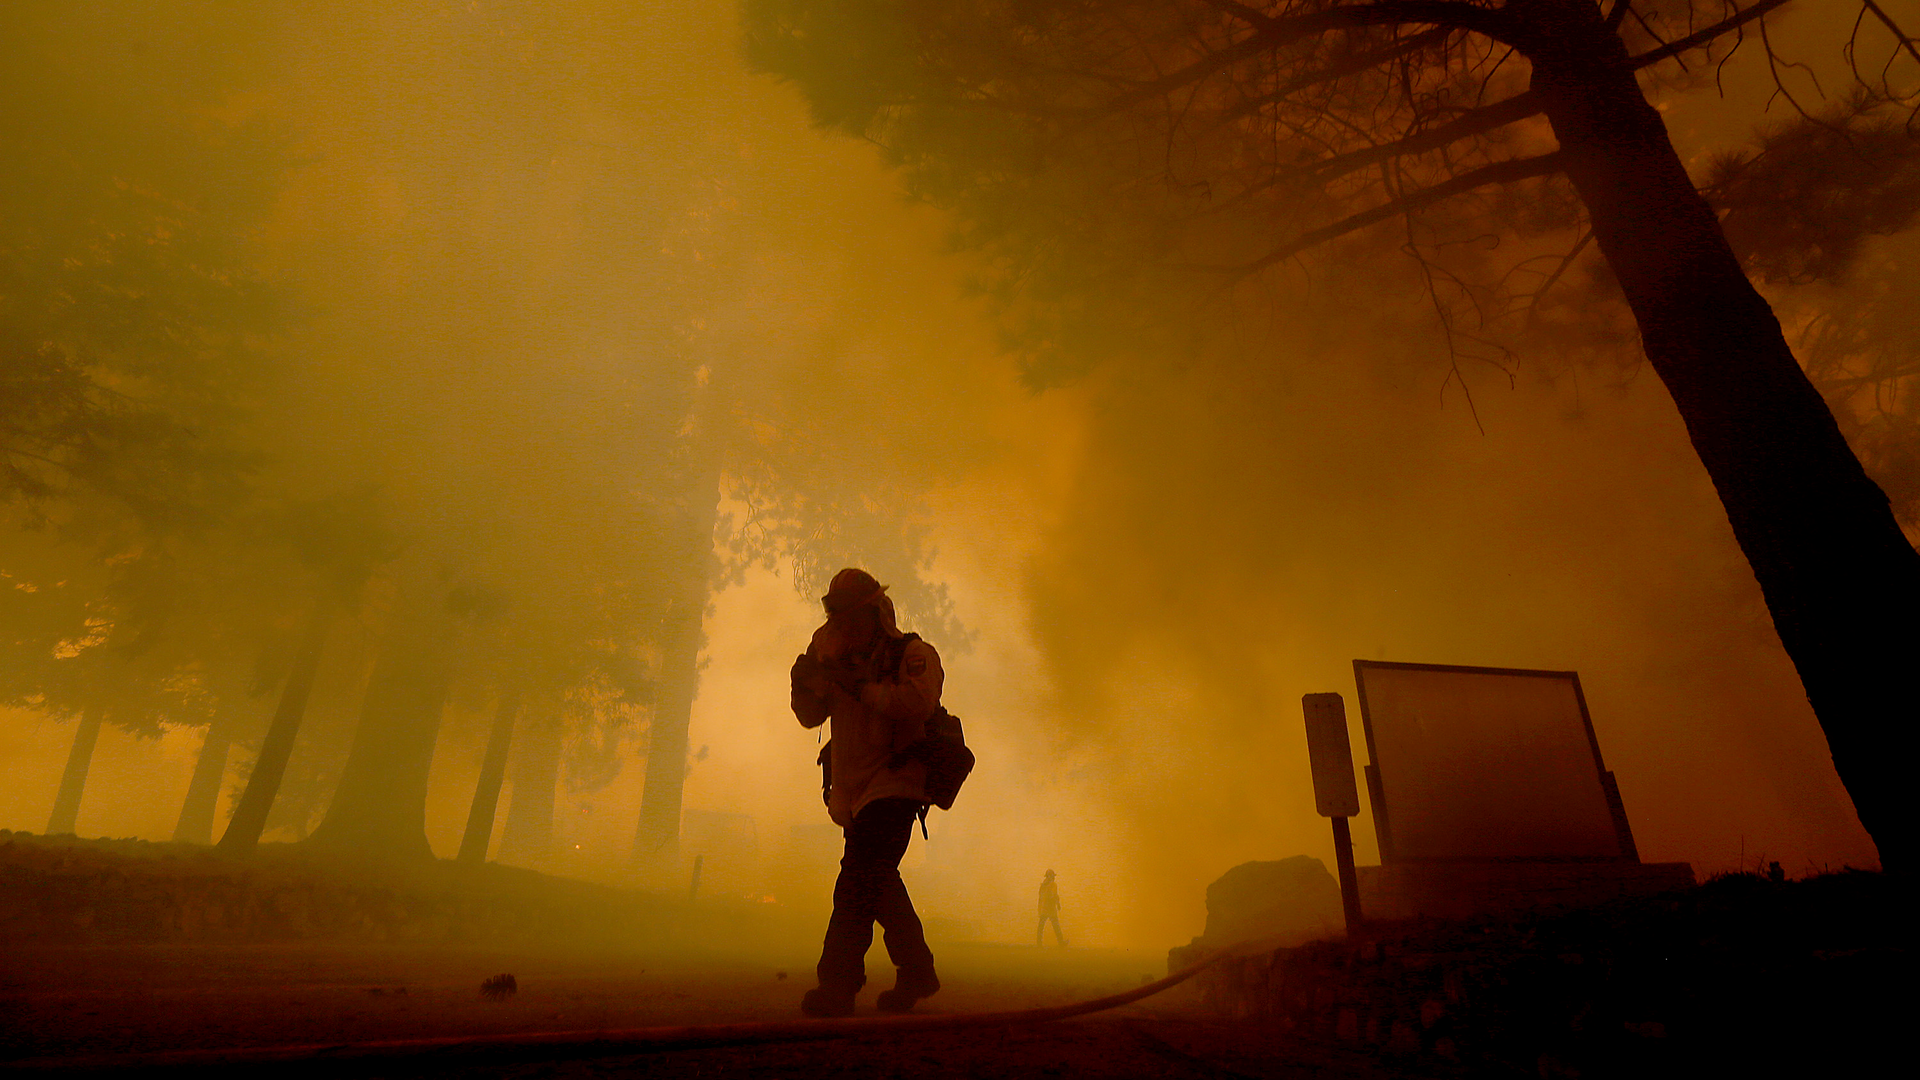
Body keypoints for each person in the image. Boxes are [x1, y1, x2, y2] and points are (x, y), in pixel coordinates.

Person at [790, 567, 945, 1017]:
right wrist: (804, 685)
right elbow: (810, 716)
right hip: (854, 790)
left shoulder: (912, 655)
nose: (843, 626)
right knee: (877, 881)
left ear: (874, 611)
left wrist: (858, 686)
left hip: (897, 784)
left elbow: (916, 703)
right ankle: (917, 970)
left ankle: (837, 986)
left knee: (855, 880)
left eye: (851, 616)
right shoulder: (832, 653)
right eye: (836, 616)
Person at [1037, 869, 1066, 947]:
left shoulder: (1043, 885)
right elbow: (1054, 894)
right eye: (1053, 876)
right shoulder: (1053, 884)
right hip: (1051, 908)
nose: (1054, 878)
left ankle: (1039, 943)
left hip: (1044, 908)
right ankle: (1061, 942)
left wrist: (1040, 907)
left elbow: (1040, 896)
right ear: (1051, 876)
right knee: (1056, 926)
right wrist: (1058, 904)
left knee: (1041, 926)